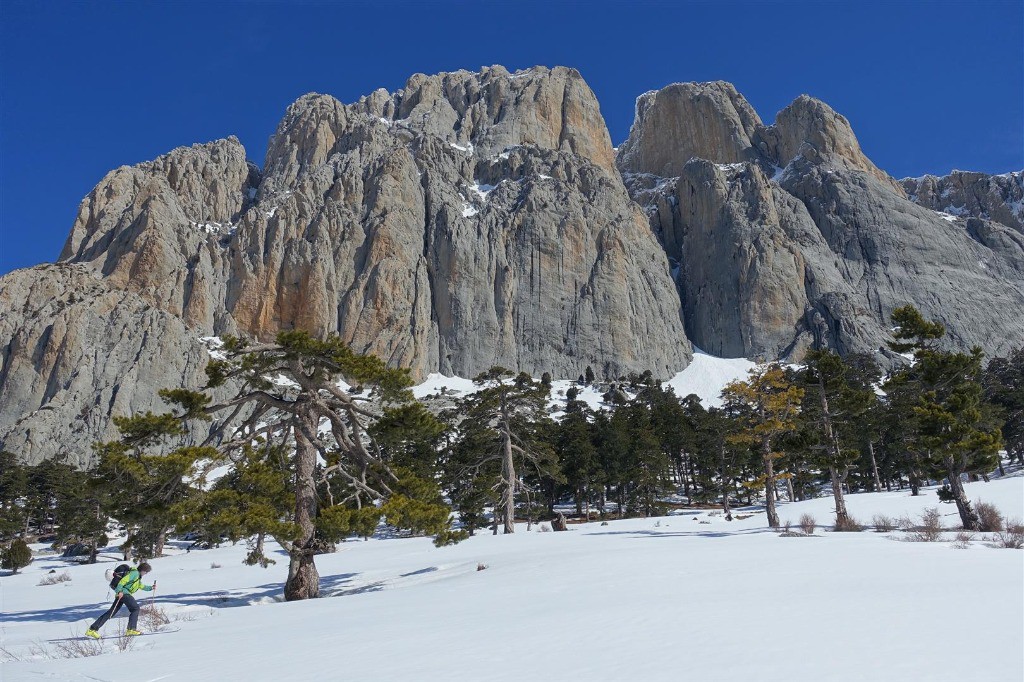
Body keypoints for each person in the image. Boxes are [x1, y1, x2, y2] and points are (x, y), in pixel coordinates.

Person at [85, 562, 156, 638]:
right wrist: (119, 591)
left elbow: (141, 586)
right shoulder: (134, 574)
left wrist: (151, 588)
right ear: (143, 570)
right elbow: (123, 581)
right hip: (124, 593)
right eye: (146, 572)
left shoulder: (137, 577)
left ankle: (92, 630)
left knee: (111, 613)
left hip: (122, 594)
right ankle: (131, 629)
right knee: (135, 608)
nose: (146, 573)